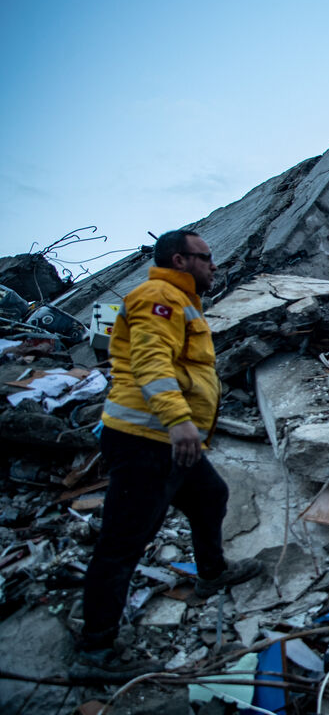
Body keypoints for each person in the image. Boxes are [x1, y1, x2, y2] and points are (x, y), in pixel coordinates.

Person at [74, 230, 264, 680]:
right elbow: (151, 362)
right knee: (122, 543)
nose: (213, 265)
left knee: (210, 495)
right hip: (148, 438)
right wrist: (179, 421)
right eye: (206, 257)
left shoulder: (183, 300)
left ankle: (211, 572)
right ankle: (96, 651)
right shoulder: (157, 297)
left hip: (171, 440)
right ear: (180, 260)